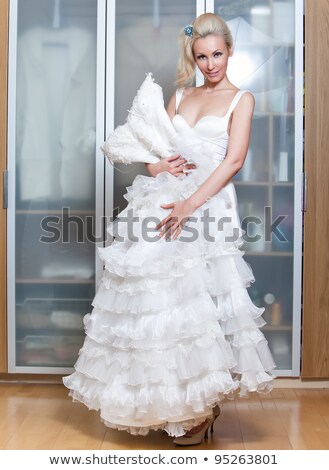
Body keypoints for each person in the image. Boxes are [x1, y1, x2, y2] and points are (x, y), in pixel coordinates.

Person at [63, 12, 275, 446]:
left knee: (200, 307)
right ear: (193, 56)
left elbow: (233, 162)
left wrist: (189, 206)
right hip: (161, 201)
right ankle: (170, 403)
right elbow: (152, 146)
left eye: (218, 54)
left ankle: (200, 407)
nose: (211, 64)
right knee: (156, 303)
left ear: (230, 51)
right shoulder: (180, 95)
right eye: (202, 56)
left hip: (205, 205)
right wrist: (154, 166)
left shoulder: (242, 99)